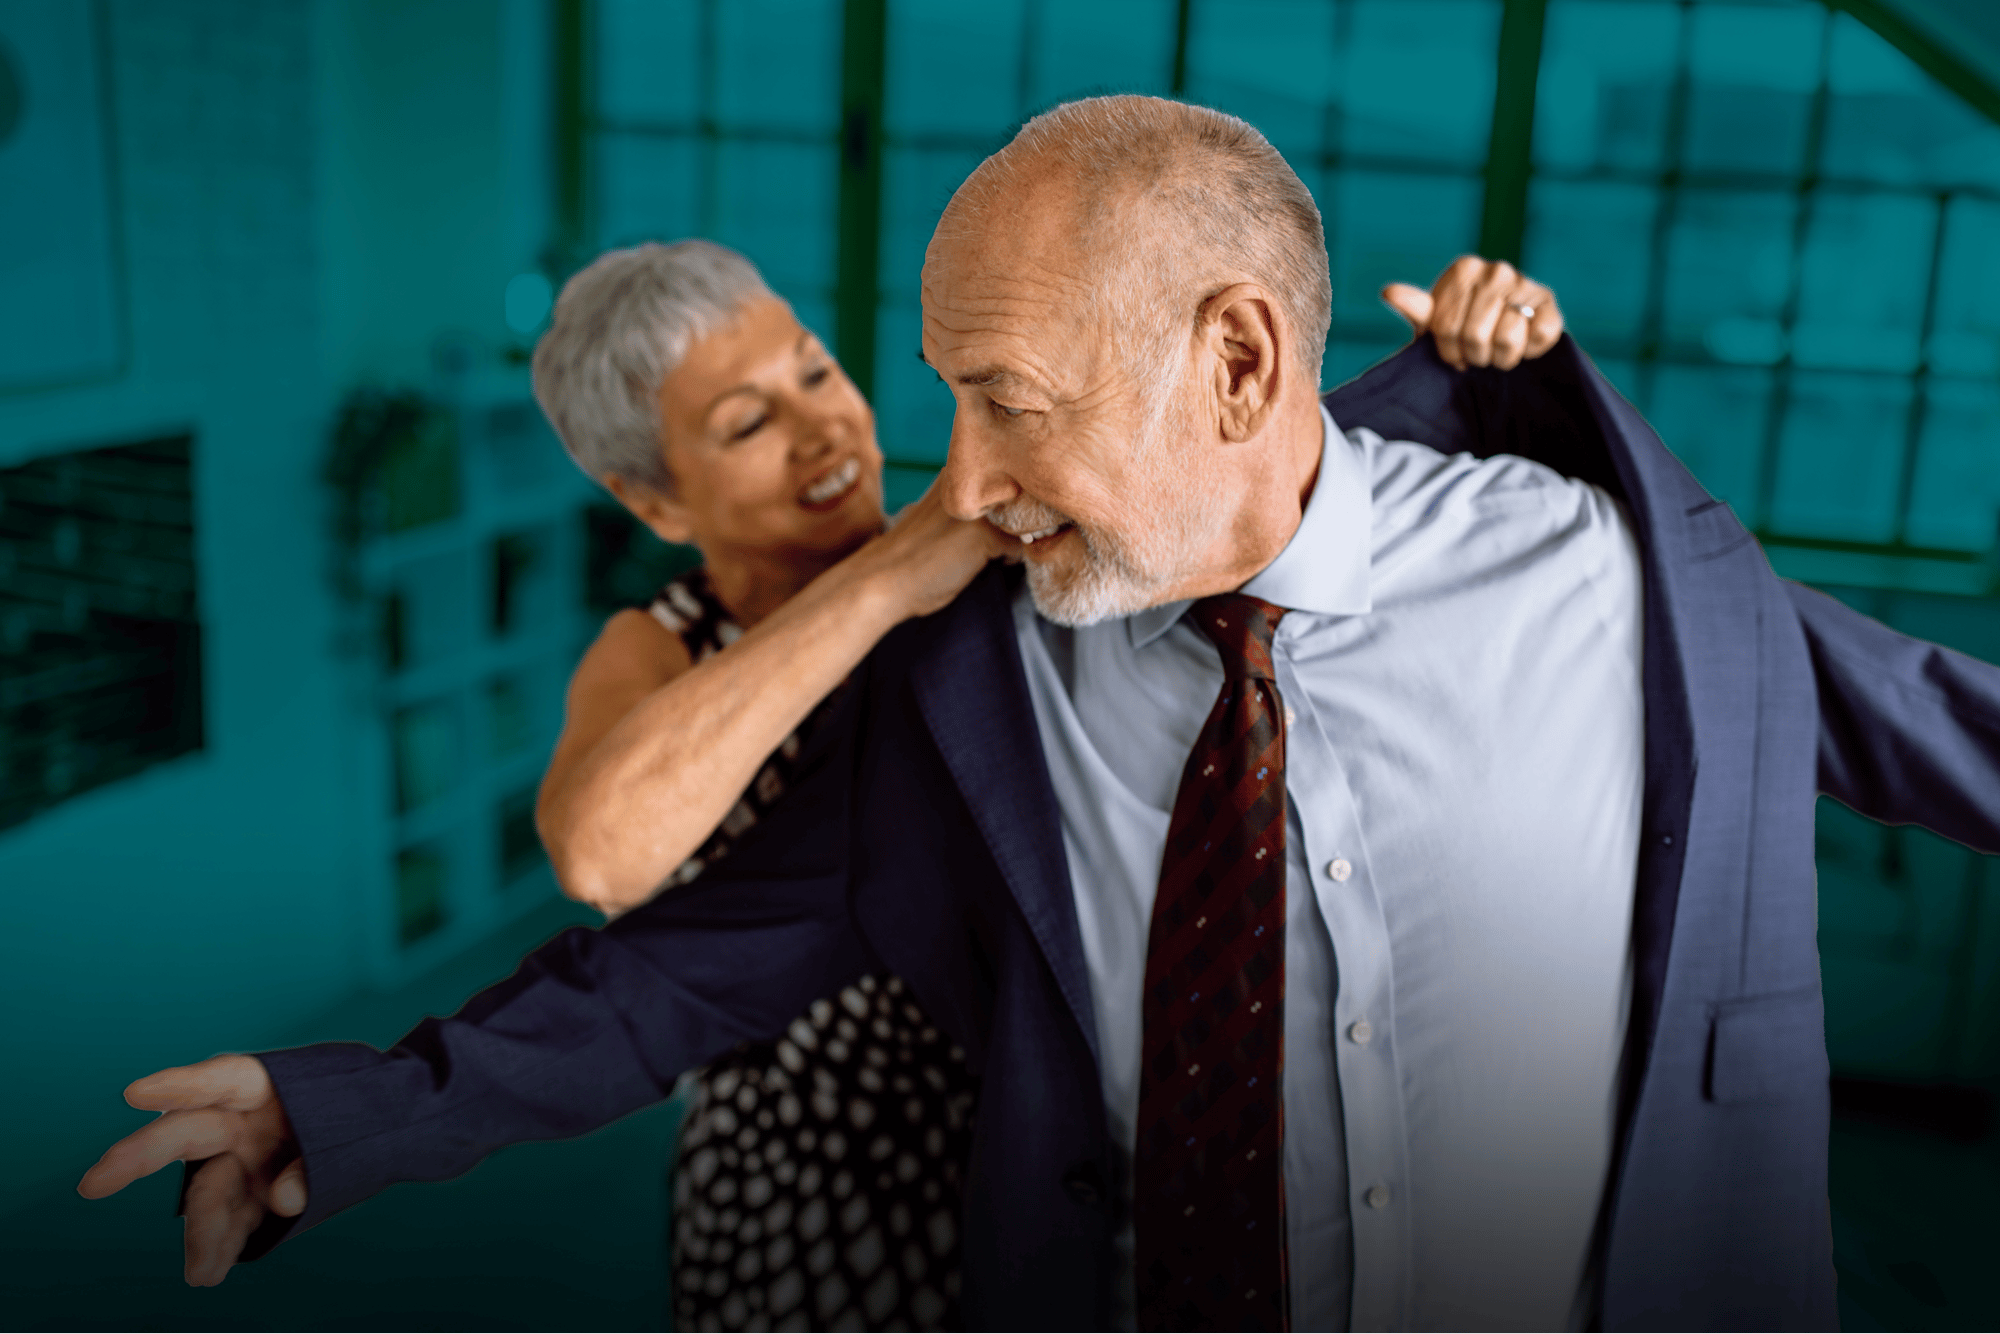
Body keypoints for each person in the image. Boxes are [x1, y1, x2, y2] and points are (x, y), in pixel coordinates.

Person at [81, 93, 1991, 1331]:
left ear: (1234, 360)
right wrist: (339, 1113)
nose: (951, 469)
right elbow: (677, 962)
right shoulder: (984, 661)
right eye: (945, 390)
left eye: (1009, 395)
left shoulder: (1618, 579)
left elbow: (1936, 722)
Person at [529, 239, 1007, 1331]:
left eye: (814, 371)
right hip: (798, 1194)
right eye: (746, 424)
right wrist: (884, 575)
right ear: (655, 502)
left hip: (1026, 1149)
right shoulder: (656, 650)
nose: (821, 428)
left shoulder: (979, 578)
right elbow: (597, 852)